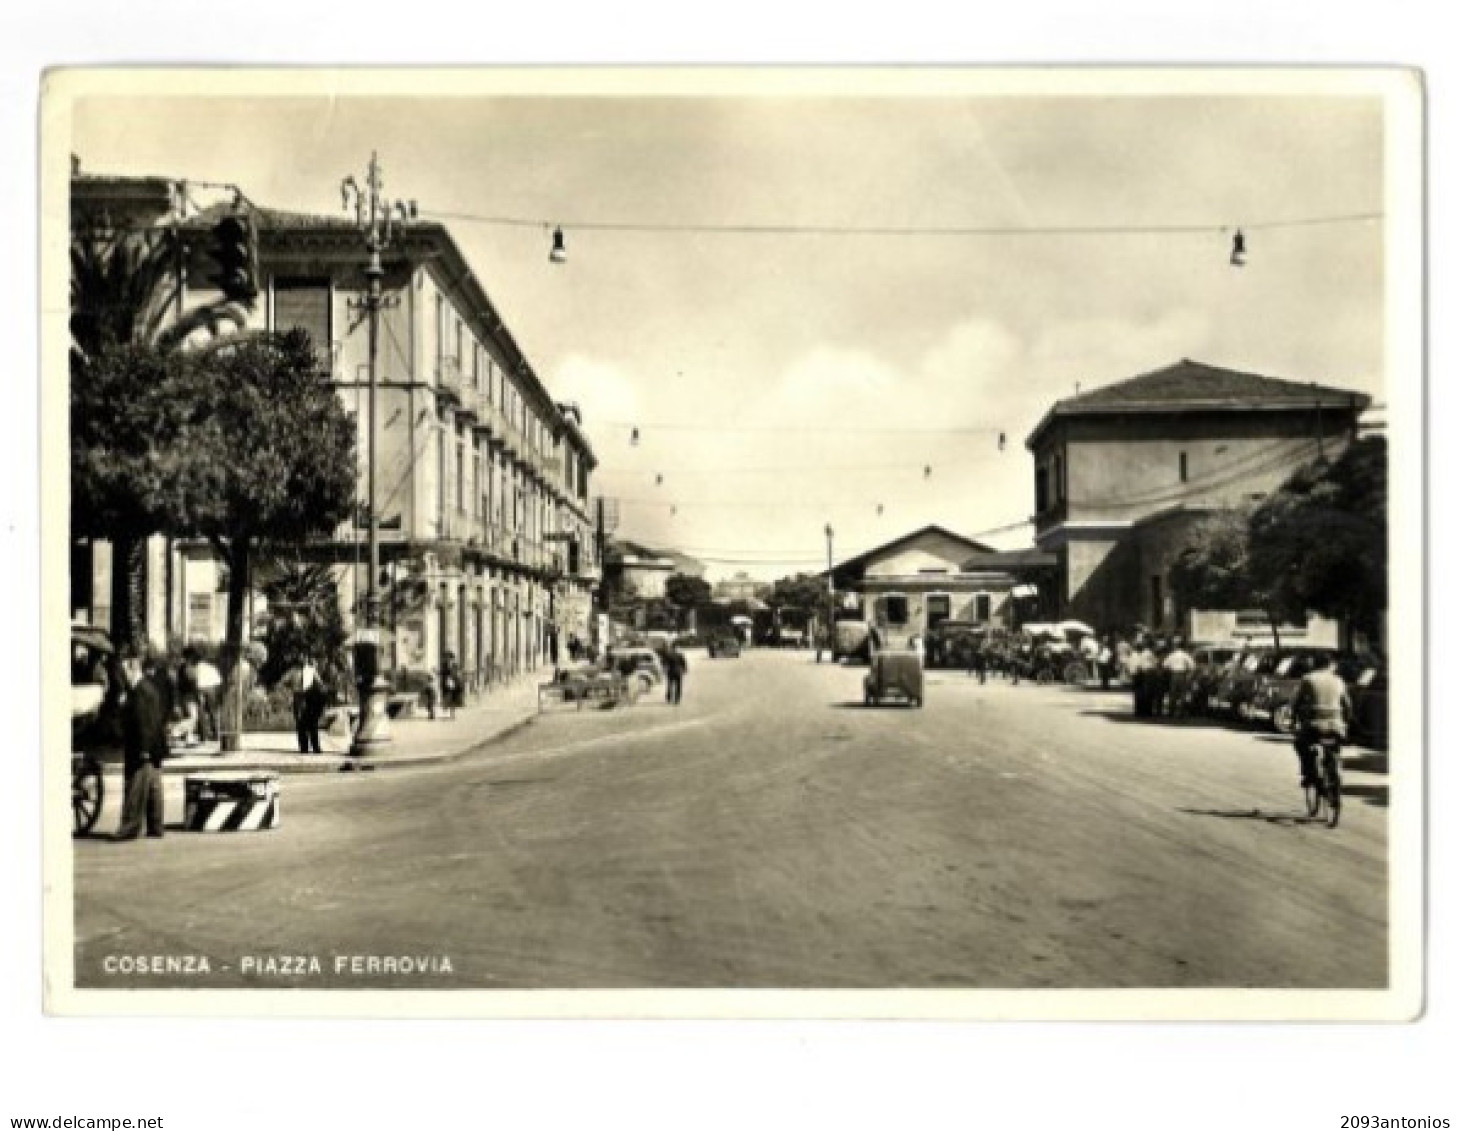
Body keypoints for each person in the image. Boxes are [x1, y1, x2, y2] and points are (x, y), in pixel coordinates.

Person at [116, 648, 168, 840]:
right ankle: (156, 826)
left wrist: (144, 749)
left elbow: (144, 722)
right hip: (155, 746)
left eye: (125, 672)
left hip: (142, 747)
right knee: (154, 786)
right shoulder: (149, 688)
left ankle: (129, 828)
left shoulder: (140, 691)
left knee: (135, 786)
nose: (123, 676)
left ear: (133, 669)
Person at [1291, 653, 1353, 788]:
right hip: (1336, 725)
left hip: (1315, 725)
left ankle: (1309, 773)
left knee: (1299, 743)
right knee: (1335, 745)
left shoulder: (1308, 678)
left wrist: (1293, 719)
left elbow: (1297, 702)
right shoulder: (1339, 680)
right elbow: (1348, 705)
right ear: (1331, 665)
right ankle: (1335, 770)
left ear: (1315, 664)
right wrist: (1347, 723)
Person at [292, 653, 329, 754]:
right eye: (300, 656)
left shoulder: (311, 670)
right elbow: (285, 682)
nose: (302, 658)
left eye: (304, 657)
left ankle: (316, 747)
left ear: (307, 658)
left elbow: (320, 684)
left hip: (309, 698)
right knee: (300, 724)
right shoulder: (293, 671)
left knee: (312, 723)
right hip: (298, 698)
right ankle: (304, 748)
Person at [1162, 638, 1197, 718]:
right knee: (1182, 694)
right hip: (1182, 675)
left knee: (1173, 693)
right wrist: (1189, 675)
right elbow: (1193, 666)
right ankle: (1181, 713)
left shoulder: (1172, 655)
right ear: (1183, 646)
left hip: (1174, 675)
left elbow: (1165, 665)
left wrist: (1170, 669)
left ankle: (1171, 712)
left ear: (1176, 646)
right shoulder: (1185, 655)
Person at [440, 651, 464, 720]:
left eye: (449, 658)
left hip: (454, 684)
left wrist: (456, 680)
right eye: (446, 658)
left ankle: (452, 714)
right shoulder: (444, 665)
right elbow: (442, 673)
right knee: (447, 698)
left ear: (452, 658)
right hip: (446, 684)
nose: (448, 659)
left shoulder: (455, 665)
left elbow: (458, 674)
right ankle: (447, 708)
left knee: (453, 700)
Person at [663, 641, 688, 705]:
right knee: (678, 686)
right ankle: (677, 700)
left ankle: (669, 698)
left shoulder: (668, 654)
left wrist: (665, 671)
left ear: (671, 648)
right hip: (678, 672)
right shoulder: (680, 655)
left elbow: (665, 664)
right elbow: (684, 663)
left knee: (670, 685)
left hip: (670, 671)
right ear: (677, 648)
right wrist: (684, 670)